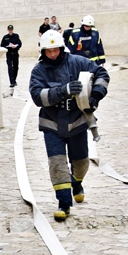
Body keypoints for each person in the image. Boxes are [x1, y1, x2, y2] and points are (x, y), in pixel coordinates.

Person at [29, 30, 109, 221]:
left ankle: (77, 182)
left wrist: (96, 95)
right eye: (49, 51)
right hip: (52, 122)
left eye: (56, 50)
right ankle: (64, 204)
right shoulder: (38, 71)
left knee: (81, 162)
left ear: (62, 48)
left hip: (77, 121)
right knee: (57, 164)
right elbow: (37, 96)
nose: (53, 54)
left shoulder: (78, 62)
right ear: (43, 52)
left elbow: (102, 73)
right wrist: (62, 90)